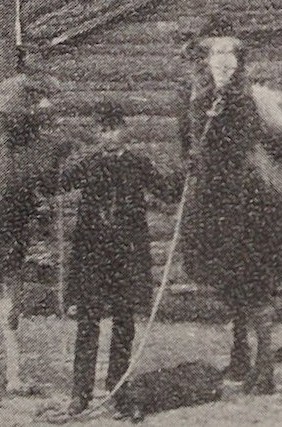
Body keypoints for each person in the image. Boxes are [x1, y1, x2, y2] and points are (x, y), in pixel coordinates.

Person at [59, 101, 181, 416]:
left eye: (114, 129)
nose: (109, 136)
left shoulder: (138, 163)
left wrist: (185, 173)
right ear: (96, 134)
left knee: (124, 324)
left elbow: (168, 191)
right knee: (87, 324)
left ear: (124, 131)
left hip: (126, 258)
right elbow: (58, 183)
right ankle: (80, 394)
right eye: (103, 130)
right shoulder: (88, 164)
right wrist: (56, 159)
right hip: (92, 258)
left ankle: (118, 390)